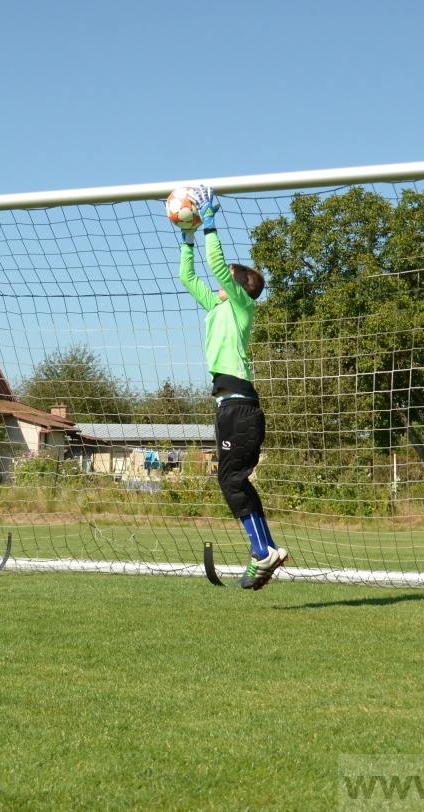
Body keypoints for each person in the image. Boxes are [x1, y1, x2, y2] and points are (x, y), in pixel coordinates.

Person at [177, 186, 288, 590]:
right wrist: (187, 235)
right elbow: (187, 277)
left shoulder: (242, 305)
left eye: (229, 277)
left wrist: (208, 223)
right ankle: (267, 550)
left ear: (241, 287)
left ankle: (262, 551)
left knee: (230, 482)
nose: (220, 279)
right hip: (230, 409)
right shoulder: (217, 306)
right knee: (236, 480)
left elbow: (218, 267)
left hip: (240, 408)